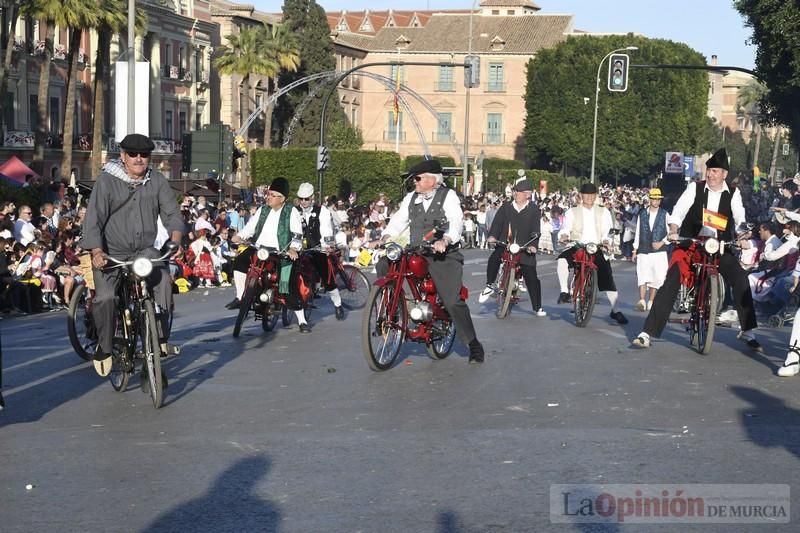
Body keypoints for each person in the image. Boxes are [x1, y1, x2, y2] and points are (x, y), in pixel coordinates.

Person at [632, 148, 760, 349]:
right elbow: (679, 210)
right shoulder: (695, 188)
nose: (710, 174)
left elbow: (740, 218)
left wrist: (743, 235)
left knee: (740, 277)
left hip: (718, 246)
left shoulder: (733, 193)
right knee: (672, 279)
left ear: (724, 174)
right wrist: (674, 228)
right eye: (709, 170)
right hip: (691, 244)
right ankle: (647, 332)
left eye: (715, 171)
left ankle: (748, 330)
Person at [82, 134, 184, 377]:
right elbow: (93, 219)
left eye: (144, 155)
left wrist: (176, 240)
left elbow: (172, 214)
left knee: (163, 282)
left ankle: (160, 338)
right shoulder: (107, 181)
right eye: (133, 154)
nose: (139, 159)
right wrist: (96, 251)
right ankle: (105, 347)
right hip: (110, 254)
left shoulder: (157, 180)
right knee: (106, 298)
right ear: (123, 156)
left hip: (144, 252)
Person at [369, 159, 485, 363]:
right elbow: (398, 220)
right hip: (417, 251)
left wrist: (446, 239)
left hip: (443, 253)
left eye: (417, 178)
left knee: (452, 300)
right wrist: (386, 237)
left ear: (432, 180)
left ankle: (473, 344)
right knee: (384, 264)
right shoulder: (410, 198)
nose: (414, 182)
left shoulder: (448, 196)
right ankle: (391, 308)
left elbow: (455, 221)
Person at [228, 177, 311, 332]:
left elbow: (297, 234)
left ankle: (301, 320)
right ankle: (240, 297)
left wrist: (293, 248)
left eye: (273, 195)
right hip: (259, 248)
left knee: (287, 282)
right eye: (268, 194)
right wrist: (240, 236)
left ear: (282, 199)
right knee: (239, 261)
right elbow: (250, 228)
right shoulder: (262, 210)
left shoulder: (291, 211)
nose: (268, 197)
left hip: (280, 251)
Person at [556, 183, 629, 325]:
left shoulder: (603, 212)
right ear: (581, 196)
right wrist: (564, 235)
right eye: (586, 194)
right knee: (562, 260)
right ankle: (564, 291)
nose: (589, 197)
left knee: (607, 275)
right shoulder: (572, 211)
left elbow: (607, 230)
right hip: (577, 245)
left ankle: (616, 310)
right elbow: (566, 227)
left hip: (596, 247)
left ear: (595, 196)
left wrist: (607, 241)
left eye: (592, 195)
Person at [478, 178, 546, 317]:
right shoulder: (506, 207)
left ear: (528, 194)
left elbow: (535, 229)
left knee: (531, 275)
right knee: (494, 258)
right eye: (515, 191)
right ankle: (489, 285)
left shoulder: (533, 209)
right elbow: (497, 223)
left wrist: (533, 245)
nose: (516, 194)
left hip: (524, 246)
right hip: (506, 243)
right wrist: (492, 236)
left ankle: (537, 306)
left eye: (519, 192)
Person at [295, 182, 346, 320]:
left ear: (312, 198)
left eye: (306, 199)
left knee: (326, 275)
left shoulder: (322, 210)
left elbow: (326, 229)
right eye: (301, 199)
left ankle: (337, 304)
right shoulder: (294, 211)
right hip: (298, 248)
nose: (303, 202)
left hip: (317, 247)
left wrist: (327, 244)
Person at [632, 188, 669, 311]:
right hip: (643, 248)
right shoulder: (642, 214)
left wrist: (662, 242)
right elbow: (638, 232)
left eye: (658, 199)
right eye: (654, 198)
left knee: (657, 277)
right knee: (642, 275)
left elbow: (671, 233)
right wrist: (634, 249)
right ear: (650, 199)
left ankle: (651, 301)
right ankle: (642, 300)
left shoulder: (665, 214)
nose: (656, 201)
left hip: (659, 251)